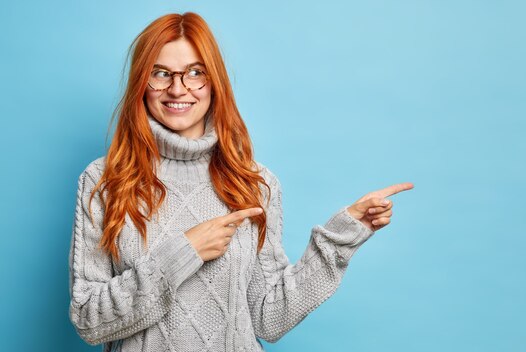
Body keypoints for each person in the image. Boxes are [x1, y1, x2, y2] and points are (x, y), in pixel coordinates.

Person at [68, 11, 413, 352]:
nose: (178, 88)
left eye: (195, 73)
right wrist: (184, 253)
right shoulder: (104, 182)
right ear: (142, 83)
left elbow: (270, 318)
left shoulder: (254, 183)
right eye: (161, 73)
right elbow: (88, 320)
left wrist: (342, 237)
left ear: (214, 81)